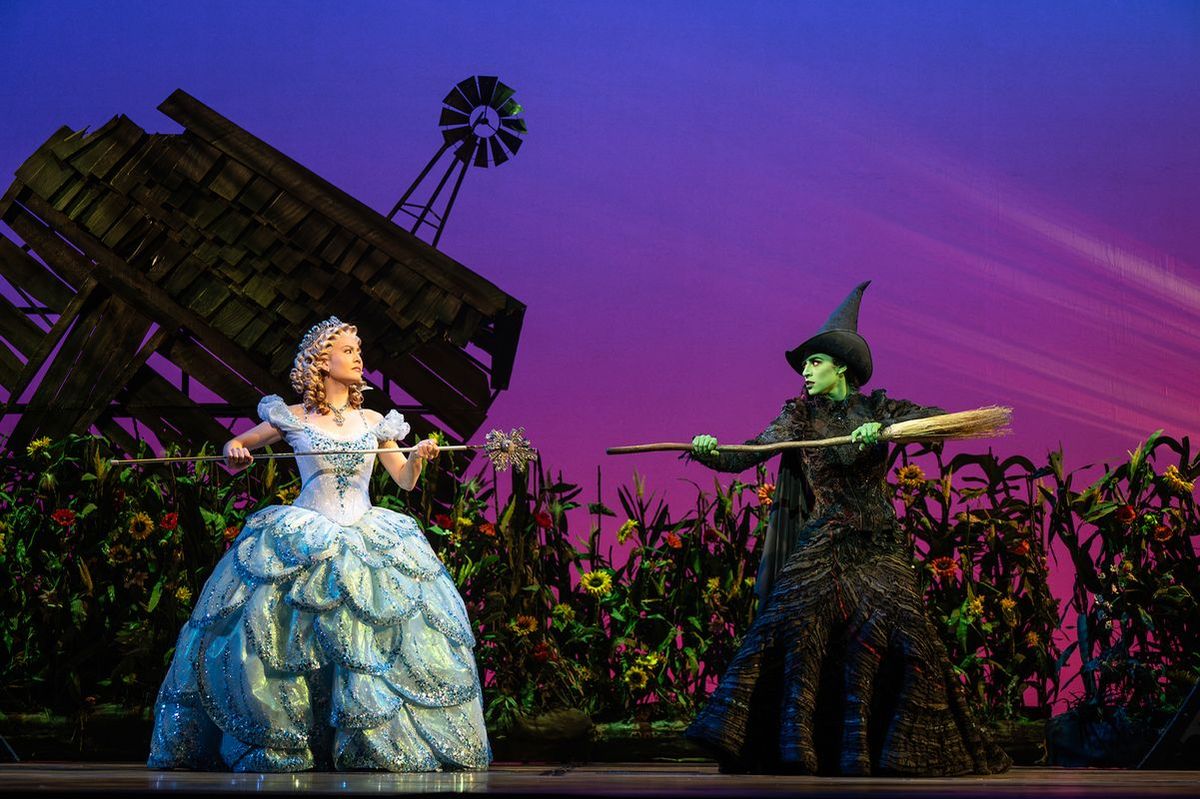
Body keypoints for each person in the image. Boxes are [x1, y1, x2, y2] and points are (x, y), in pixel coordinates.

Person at [685, 282, 1010, 776]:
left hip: (877, 543)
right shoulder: (799, 415)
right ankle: (791, 745)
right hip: (824, 542)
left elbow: (940, 421)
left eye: (814, 362)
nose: (806, 371)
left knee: (912, 636)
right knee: (786, 625)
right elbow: (750, 452)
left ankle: (900, 750)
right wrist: (709, 449)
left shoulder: (876, 408)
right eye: (804, 364)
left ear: (840, 367)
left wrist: (884, 430)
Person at [147, 317, 490, 772]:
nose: (358, 358)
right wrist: (235, 449)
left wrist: (418, 458)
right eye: (349, 350)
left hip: (367, 532)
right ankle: (283, 733)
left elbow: (404, 480)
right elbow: (237, 446)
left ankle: (367, 739)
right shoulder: (293, 417)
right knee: (280, 634)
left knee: (368, 636)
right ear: (322, 362)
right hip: (305, 532)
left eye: (358, 350)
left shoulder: (374, 421)